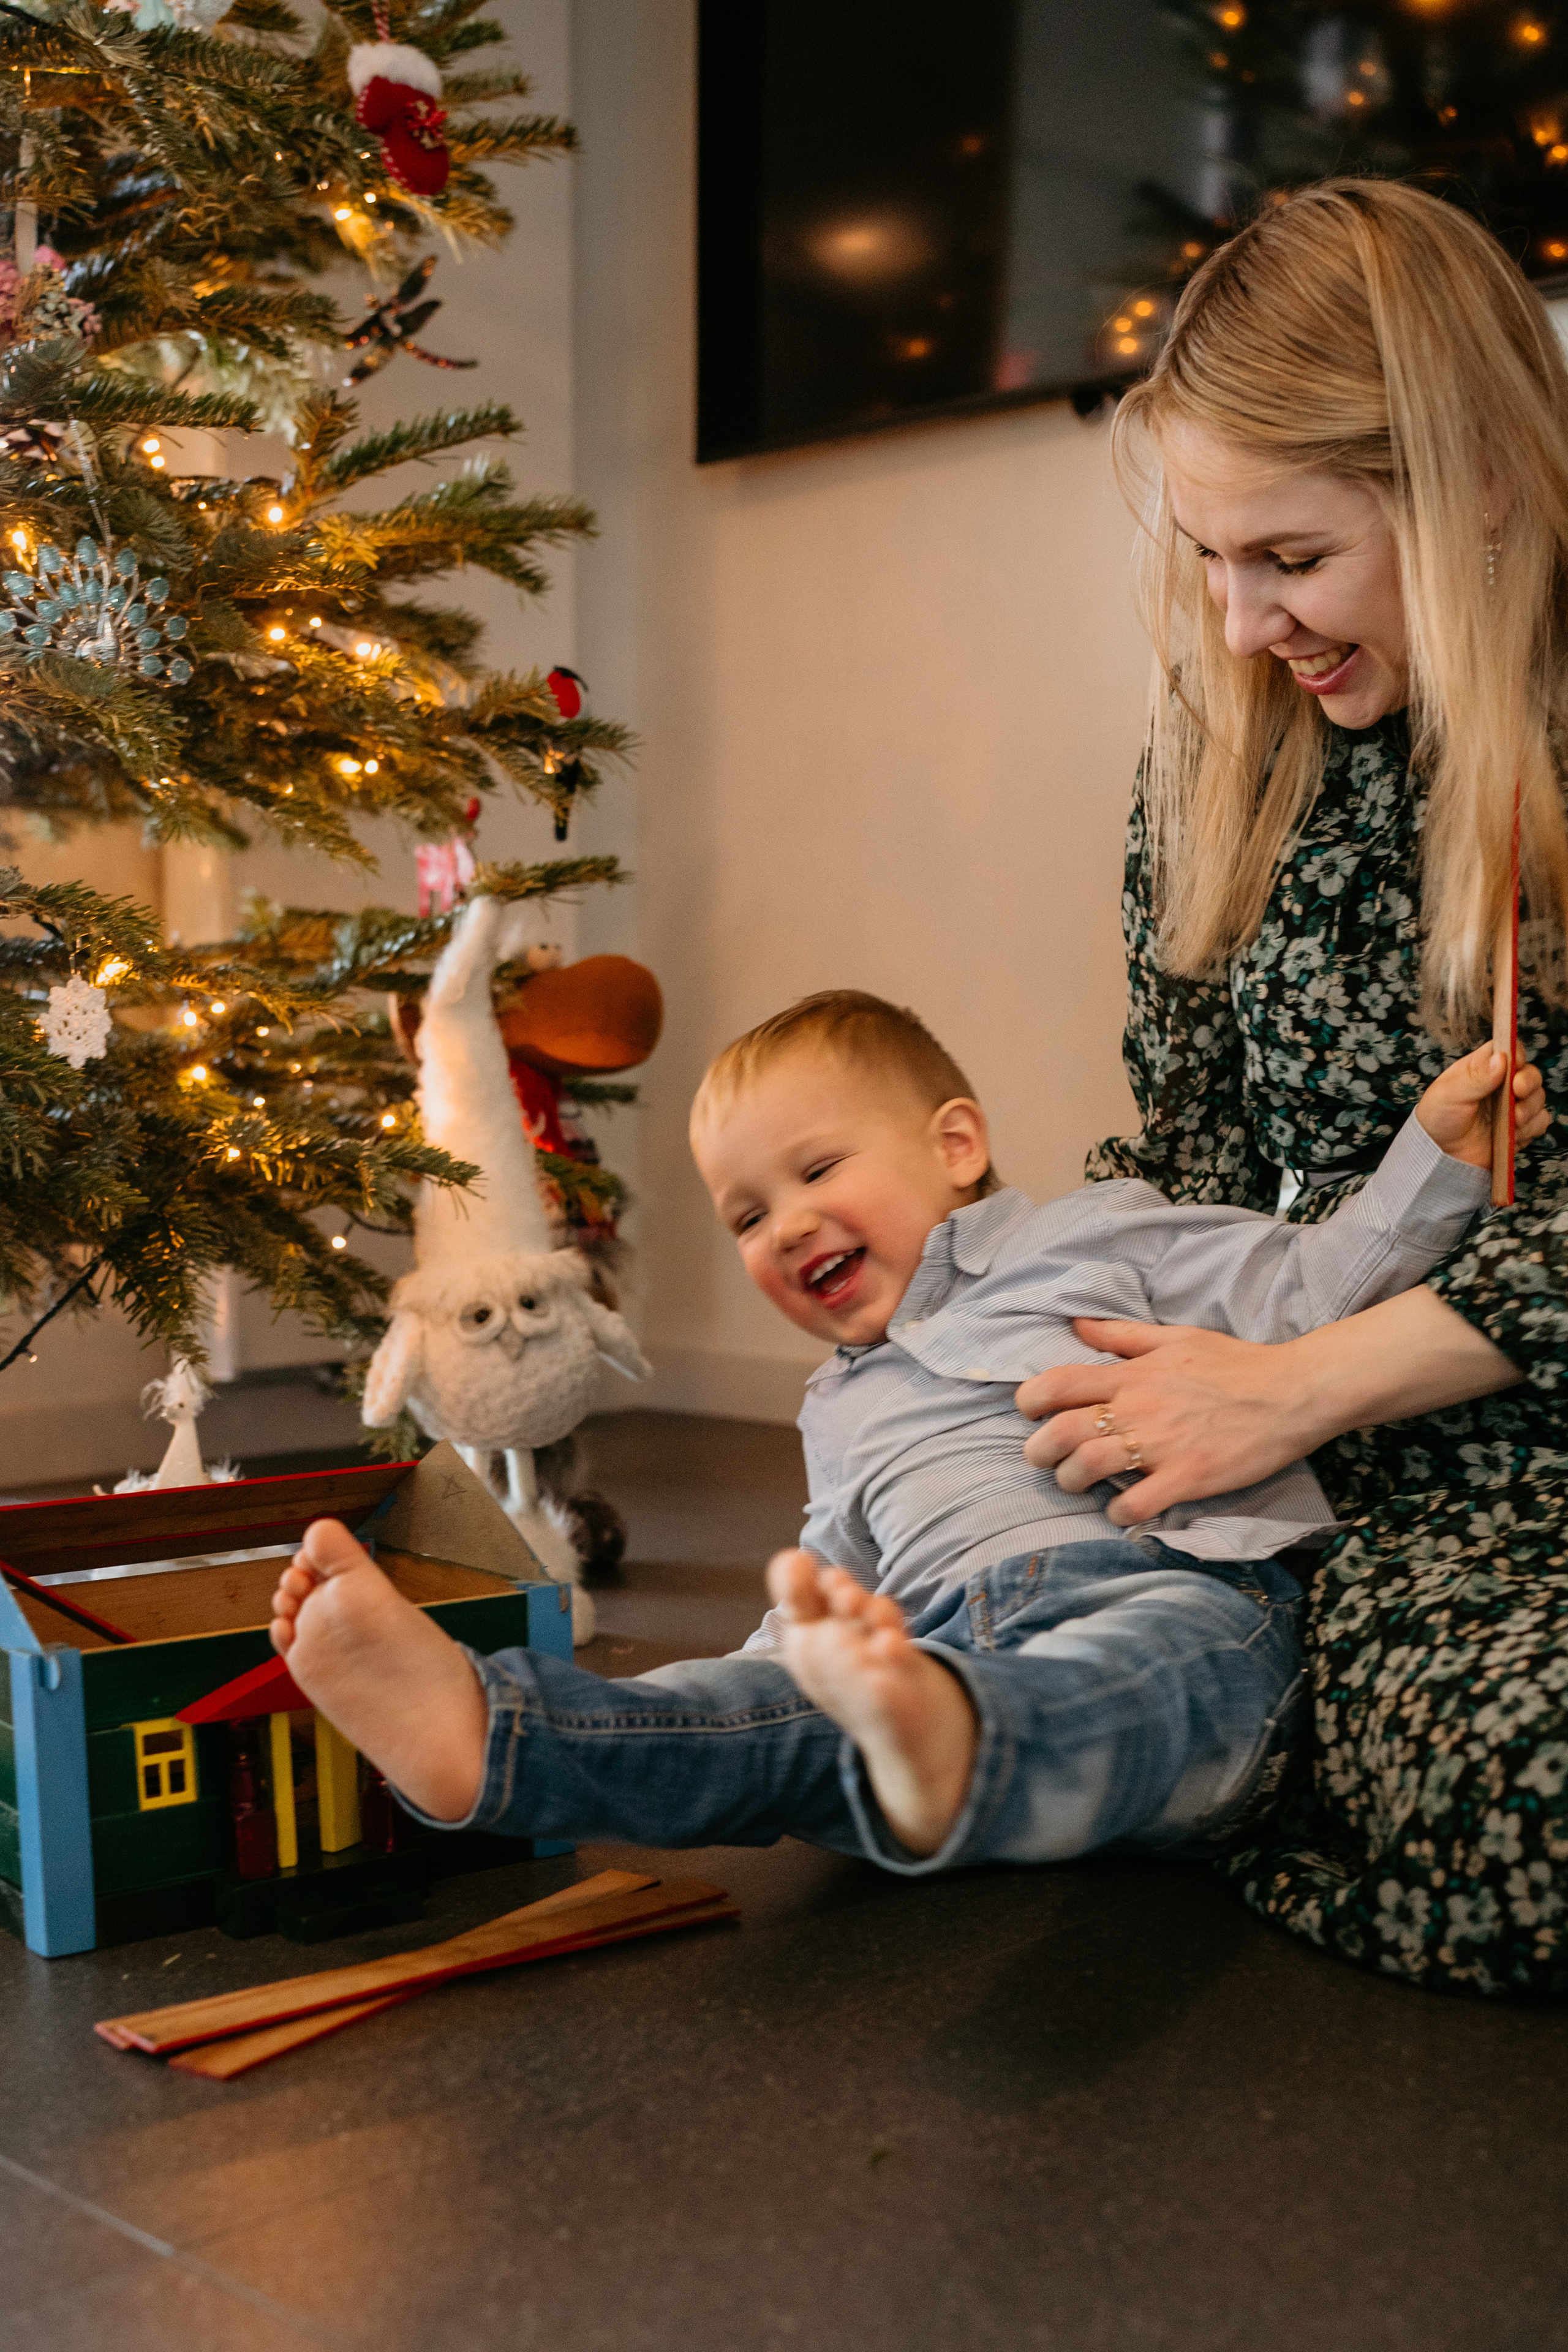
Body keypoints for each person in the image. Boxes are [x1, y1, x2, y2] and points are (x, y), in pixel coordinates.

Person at [268, 990, 1529, 1874]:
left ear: (956, 1146)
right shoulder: (839, 1404)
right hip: (927, 1649)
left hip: (1177, 1591)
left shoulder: (1090, 1238)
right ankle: (497, 1744)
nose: (785, 1227)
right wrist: (786, 1661)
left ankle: (958, 1748)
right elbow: (828, 1575)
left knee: (1144, 1676)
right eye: (746, 1216)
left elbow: (1314, 1285)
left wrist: (1437, 1157)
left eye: (816, 1172)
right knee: (765, 1716)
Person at [1014, 177, 1568, 1997]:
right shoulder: (1220, 764)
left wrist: (1294, 1389)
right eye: (1210, 560)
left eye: (1296, 559)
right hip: (1387, 1506)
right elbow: (1191, 1169)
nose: (1246, 624)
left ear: (1475, 476)